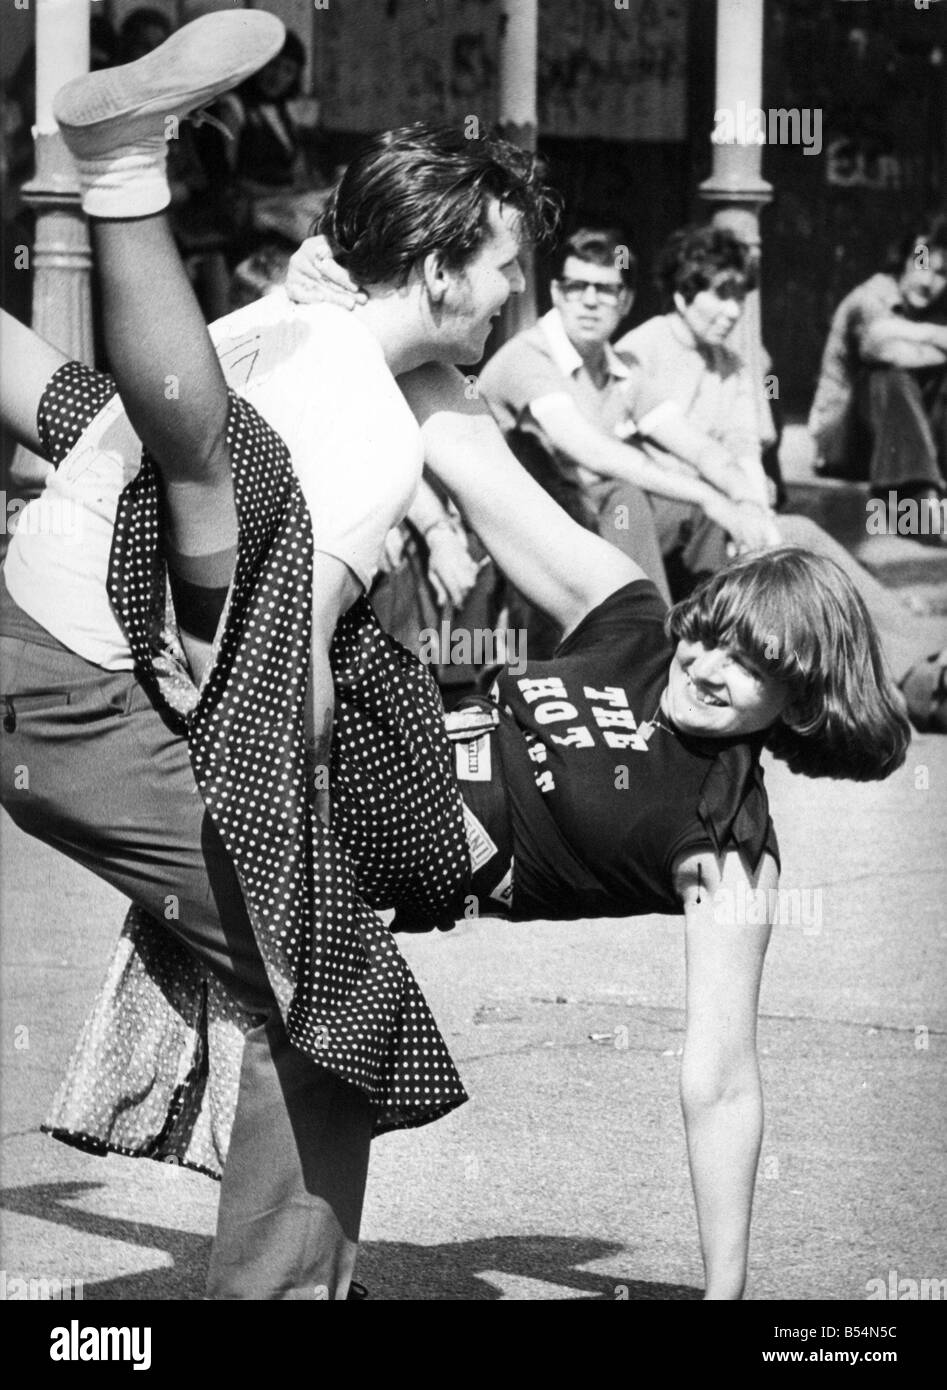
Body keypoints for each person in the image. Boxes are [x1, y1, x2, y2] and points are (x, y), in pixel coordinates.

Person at [0, 9, 557, 1300]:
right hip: (88, 686)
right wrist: (309, 849)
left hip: (40, 627)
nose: (511, 295)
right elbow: (278, 666)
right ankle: (280, 1293)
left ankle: (121, 177)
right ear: (436, 264)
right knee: (334, 996)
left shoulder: (273, 327)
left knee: (290, 959)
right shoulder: (372, 428)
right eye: (503, 267)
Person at [807, 215, 947, 541]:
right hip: (843, 444)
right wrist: (933, 336)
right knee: (887, 377)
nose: (928, 282)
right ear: (903, 261)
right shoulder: (870, 297)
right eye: (921, 265)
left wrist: (912, 332)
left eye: (942, 274)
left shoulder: (935, 308)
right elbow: (884, 351)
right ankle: (914, 500)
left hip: (903, 444)